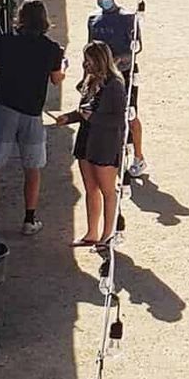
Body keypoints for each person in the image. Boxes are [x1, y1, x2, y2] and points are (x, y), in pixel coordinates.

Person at [0, 0, 65, 235]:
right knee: (32, 168)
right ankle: (29, 219)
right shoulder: (51, 48)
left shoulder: (4, 42)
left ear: (20, 18)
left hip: (4, 107)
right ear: (44, 20)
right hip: (33, 113)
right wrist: (62, 67)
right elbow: (56, 79)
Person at [57, 42, 127, 250]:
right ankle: (92, 233)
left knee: (107, 190)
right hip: (87, 141)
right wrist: (68, 118)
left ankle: (108, 235)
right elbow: (83, 111)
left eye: (89, 59)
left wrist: (93, 118)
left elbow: (118, 120)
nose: (85, 63)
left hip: (105, 144)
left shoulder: (115, 85)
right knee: (91, 189)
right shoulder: (90, 81)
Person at [88, 0, 147, 177]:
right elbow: (90, 49)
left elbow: (137, 46)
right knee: (105, 118)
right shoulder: (93, 20)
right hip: (101, 77)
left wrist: (117, 61)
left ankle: (139, 156)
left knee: (130, 114)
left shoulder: (129, 17)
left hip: (125, 75)